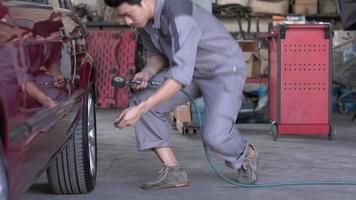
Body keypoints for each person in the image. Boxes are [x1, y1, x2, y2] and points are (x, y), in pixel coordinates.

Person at [105, 0, 259, 189]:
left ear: (144, 1)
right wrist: (147, 73)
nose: (127, 21)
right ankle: (173, 171)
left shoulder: (178, 14)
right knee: (140, 98)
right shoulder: (146, 21)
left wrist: (141, 109)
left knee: (215, 136)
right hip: (191, 71)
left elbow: (179, 77)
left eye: (128, 14)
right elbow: (157, 56)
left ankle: (247, 155)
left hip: (223, 70)